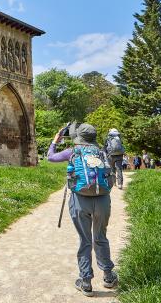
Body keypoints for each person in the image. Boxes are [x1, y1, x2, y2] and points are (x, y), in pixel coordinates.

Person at [48, 122, 118, 297]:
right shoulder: (102, 152)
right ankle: (108, 276)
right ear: (94, 138)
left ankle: (86, 282)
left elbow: (50, 157)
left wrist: (55, 141)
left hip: (80, 200)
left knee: (85, 240)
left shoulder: (72, 152)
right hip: (102, 199)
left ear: (79, 138)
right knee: (101, 237)